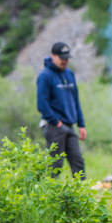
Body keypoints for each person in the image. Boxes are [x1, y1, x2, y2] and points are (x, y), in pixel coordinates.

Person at [36, 42, 87, 178]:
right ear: (53, 55)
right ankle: (51, 190)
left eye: (67, 58)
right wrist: (57, 123)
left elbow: (75, 101)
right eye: (62, 58)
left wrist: (81, 124)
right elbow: (41, 104)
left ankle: (81, 190)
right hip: (54, 126)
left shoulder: (69, 74)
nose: (65, 61)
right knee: (55, 165)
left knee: (78, 162)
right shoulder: (45, 76)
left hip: (69, 125)